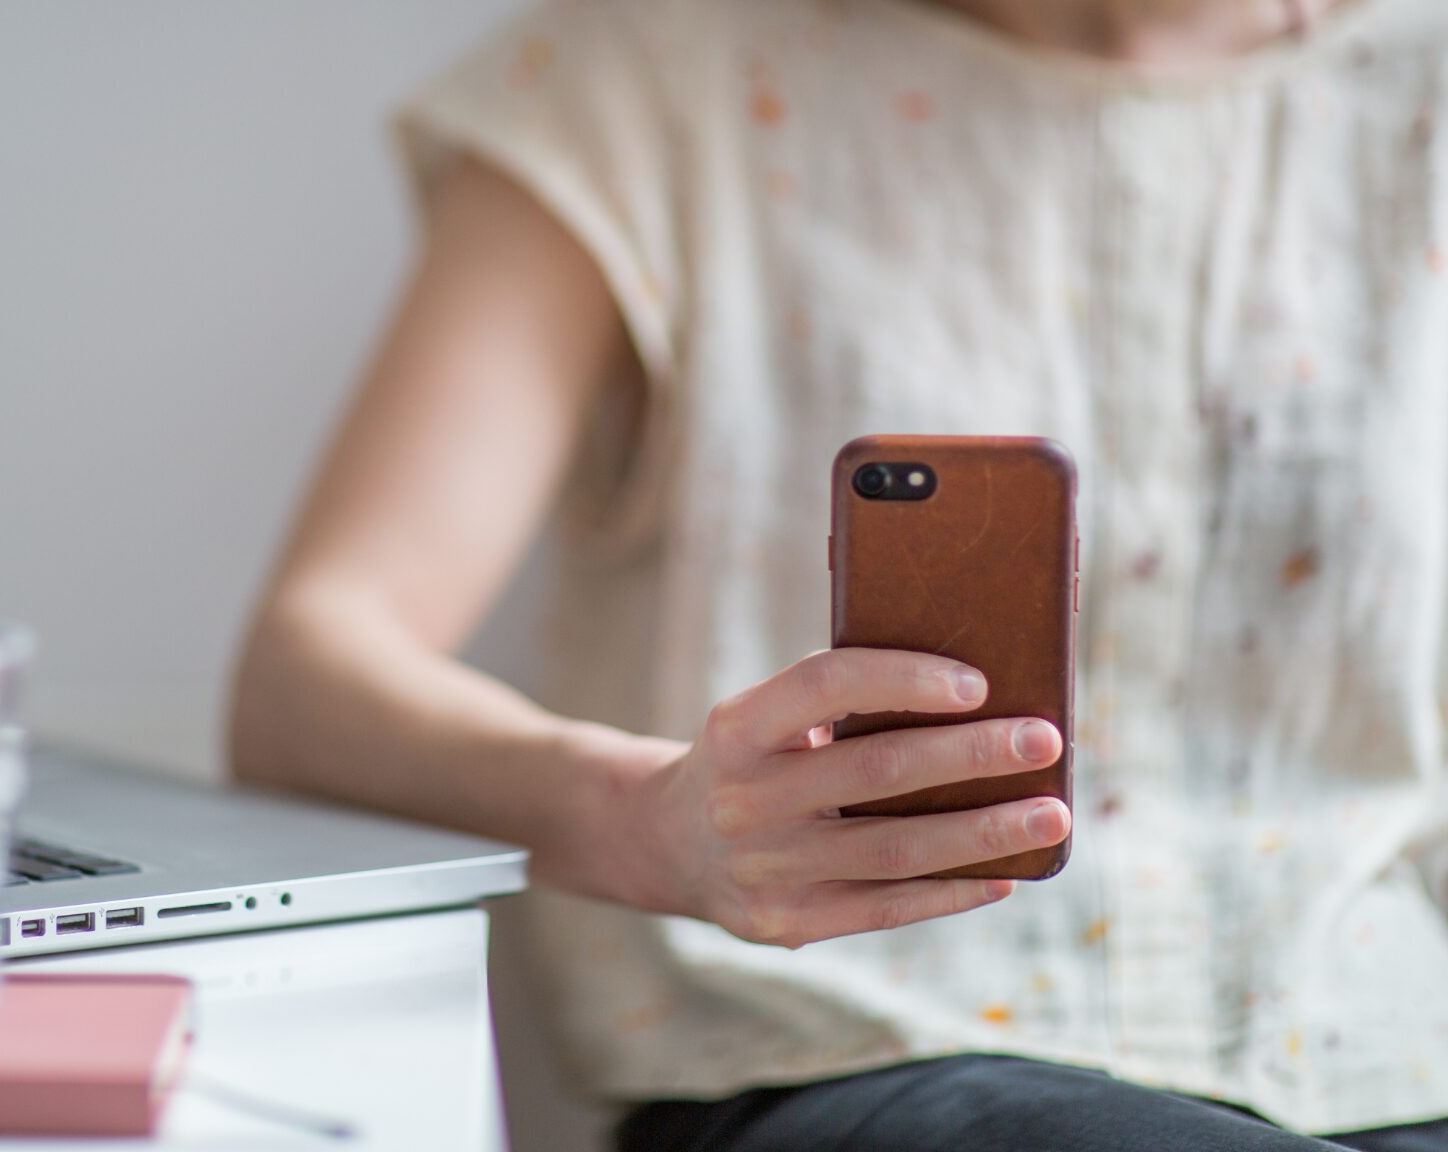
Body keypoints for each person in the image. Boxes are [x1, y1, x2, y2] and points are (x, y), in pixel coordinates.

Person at [229, 0, 1448, 1147]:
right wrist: (650, 823)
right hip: (845, 1057)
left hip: (1393, 1054)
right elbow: (300, 681)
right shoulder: (655, 76)